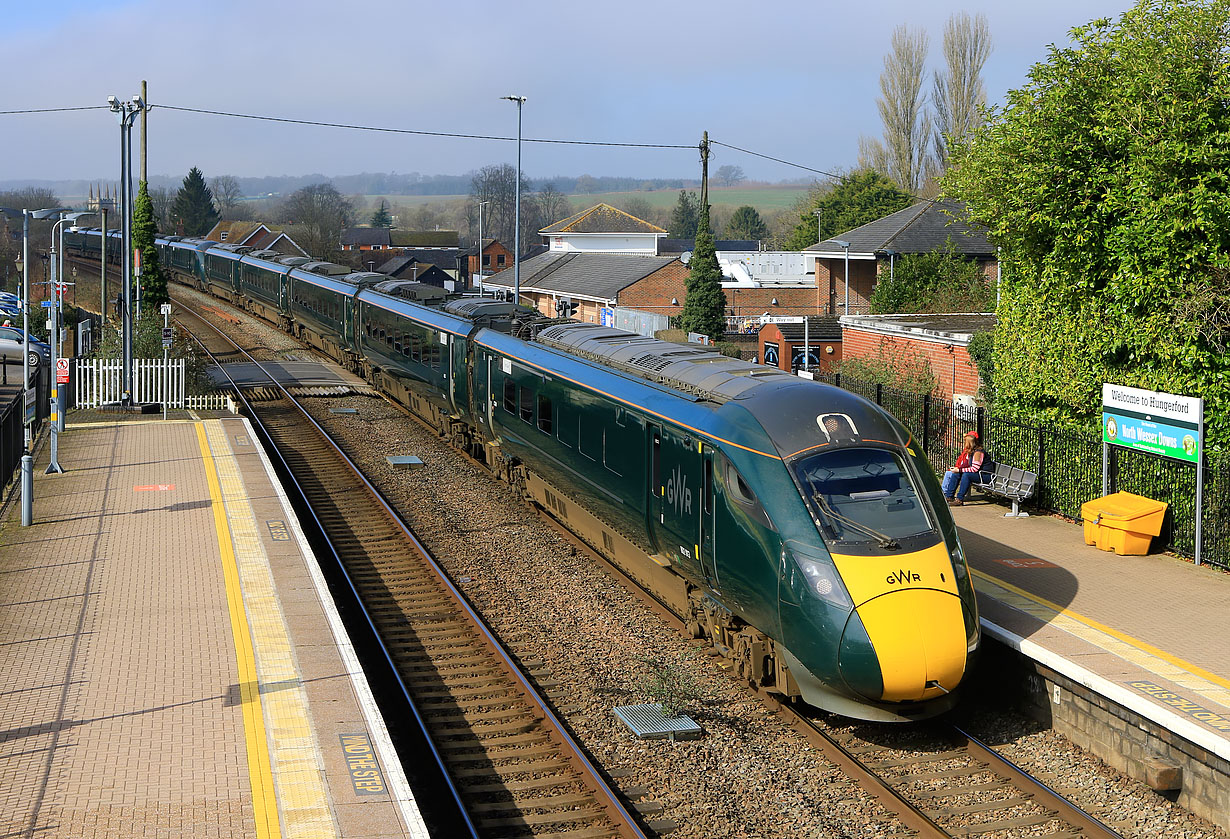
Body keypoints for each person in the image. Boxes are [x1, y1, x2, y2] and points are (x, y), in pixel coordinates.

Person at [941, 431, 985, 506]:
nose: (964, 444)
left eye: (966, 442)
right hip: (978, 474)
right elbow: (966, 464)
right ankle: (949, 496)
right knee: (956, 473)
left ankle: (959, 499)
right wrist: (957, 469)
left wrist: (960, 470)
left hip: (985, 475)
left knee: (966, 475)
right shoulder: (972, 451)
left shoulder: (978, 453)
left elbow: (975, 469)